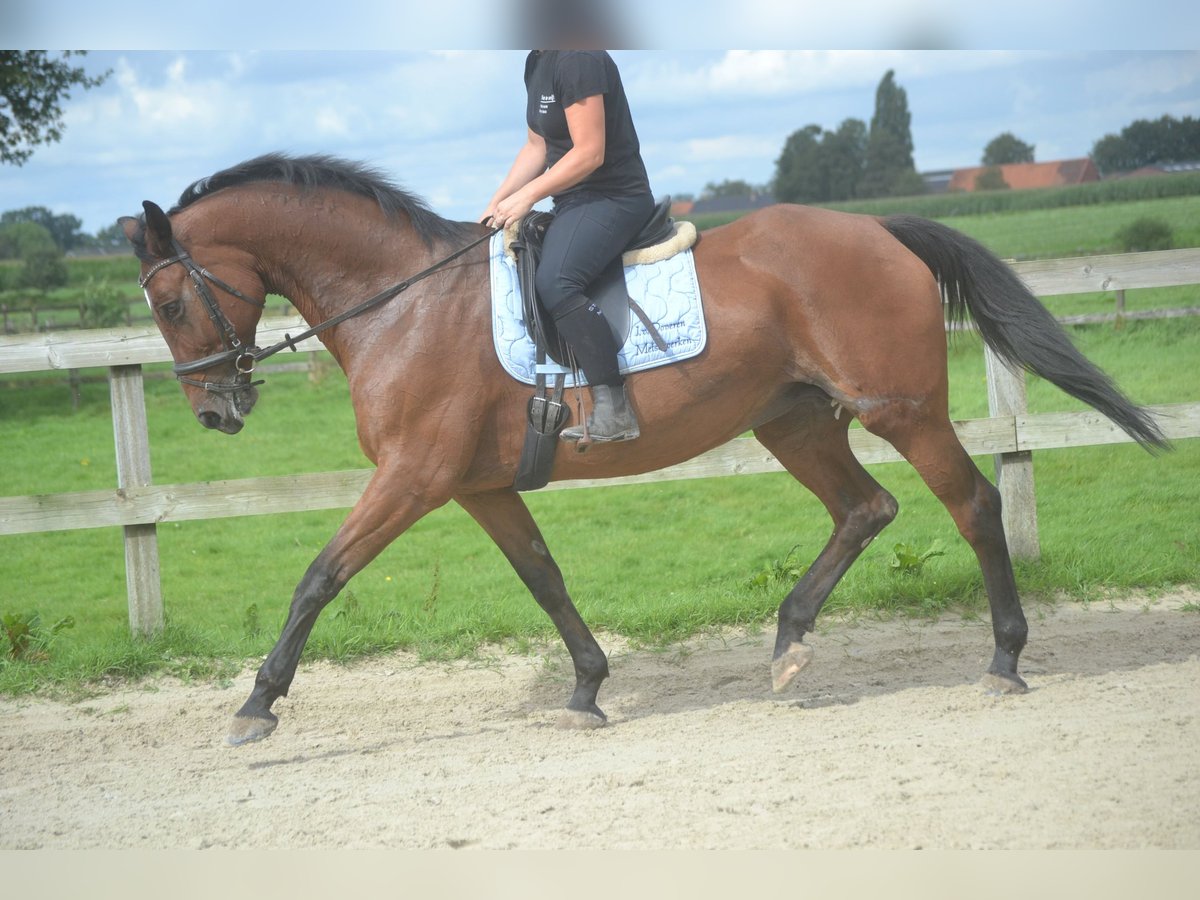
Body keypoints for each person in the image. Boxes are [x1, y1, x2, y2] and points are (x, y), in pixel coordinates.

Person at [482, 50, 654, 443]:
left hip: (613, 197)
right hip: (573, 202)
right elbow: (537, 147)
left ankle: (614, 408)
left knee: (557, 281)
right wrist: (496, 202)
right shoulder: (537, 61)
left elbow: (589, 152)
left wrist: (527, 197)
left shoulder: (579, 57)